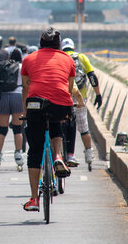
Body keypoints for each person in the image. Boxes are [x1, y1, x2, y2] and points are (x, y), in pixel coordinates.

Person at [21, 27, 75, 211]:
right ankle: (58, 156)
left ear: (40, 42)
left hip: (35, 105)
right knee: (57, 120)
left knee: (34, 152)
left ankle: (34, 199)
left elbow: (26, 90)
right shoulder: (68, 59)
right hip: (61, 104)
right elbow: (68, 88)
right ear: (59, 44)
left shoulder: (28, 59)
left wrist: (25, 113)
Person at [61, 38, 103, 166]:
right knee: (83, 126)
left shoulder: (60, 57)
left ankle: (65, 153)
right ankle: (89, 155)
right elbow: (91, 76)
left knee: (62, 123)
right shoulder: (81, 57)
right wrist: (98, 94)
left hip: (63, 96)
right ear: (73, 48)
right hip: (80, 97)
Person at [0, 48, 25, 169]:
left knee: (2, 129)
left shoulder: (4, 65)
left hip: (3, 96)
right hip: (18, 96)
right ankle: (18, 155)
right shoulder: (22, 66)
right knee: (17, 128)